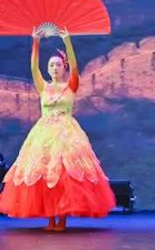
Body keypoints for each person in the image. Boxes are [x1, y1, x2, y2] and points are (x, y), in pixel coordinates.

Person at [0, 28, 115, 229]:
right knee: (45, 173)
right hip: (44, 133)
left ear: (64, 67)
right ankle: (51, 219)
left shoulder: (71, 85)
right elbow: (33, 67)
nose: (55, 68)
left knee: (64, 174)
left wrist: (66, 40)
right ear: (48, 69)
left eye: (58, 65)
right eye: (51, 65)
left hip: (66, 132)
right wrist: (35, 42)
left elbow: (76, 66)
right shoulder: (43, 87)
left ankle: (62, 218)